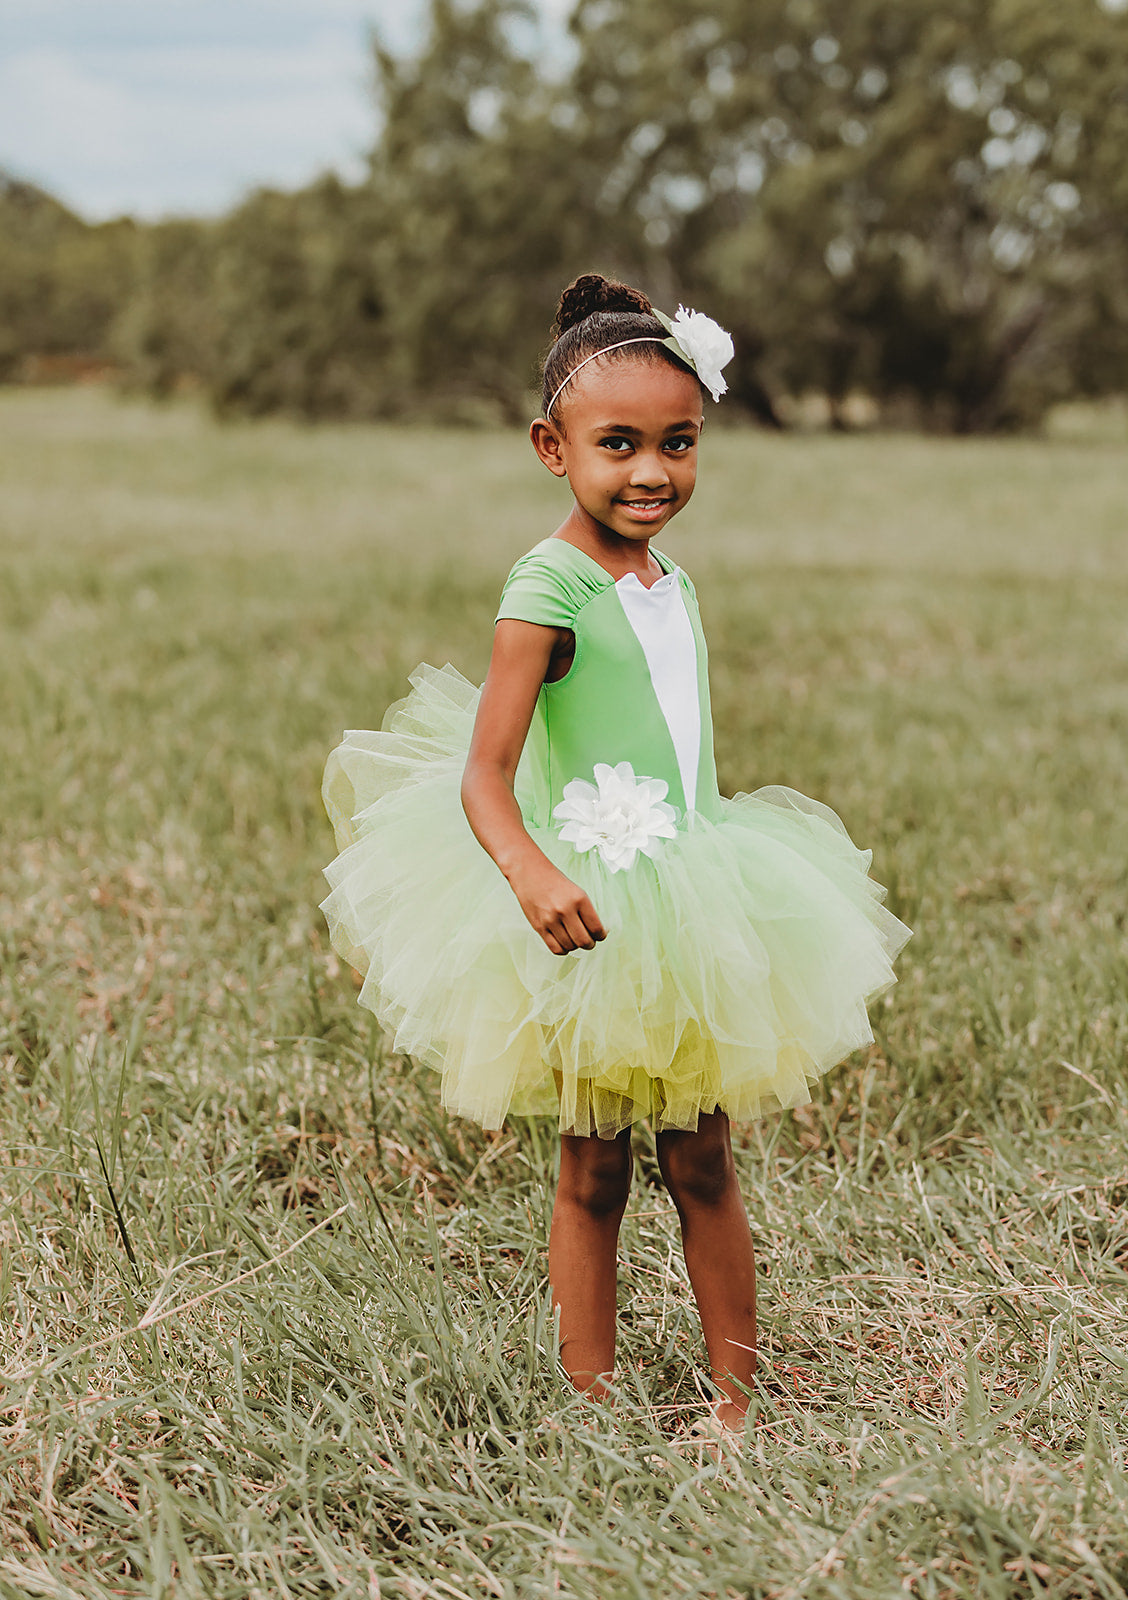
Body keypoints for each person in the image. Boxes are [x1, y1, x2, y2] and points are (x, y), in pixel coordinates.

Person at [321, 273, 911, 1446]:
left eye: (679, 443)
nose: (653, 472)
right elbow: (483, 773)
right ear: (554, 447)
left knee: (704, 1157)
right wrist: (530, 871)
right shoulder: (546, 587)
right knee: (592, 1167)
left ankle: (736, 1403)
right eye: (620, 444)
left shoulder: (669, 575)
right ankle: (588, 1404)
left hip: (697, 897)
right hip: (591, 902)